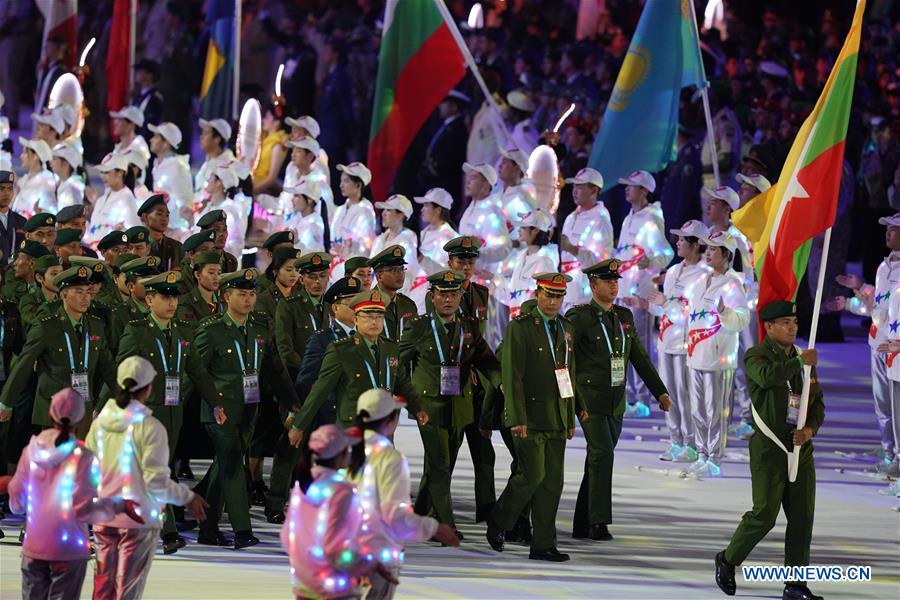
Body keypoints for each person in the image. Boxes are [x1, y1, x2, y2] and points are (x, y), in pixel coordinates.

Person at [714, 301, 825, 600]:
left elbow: (817, 404)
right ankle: (728, 559)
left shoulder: (804, 358)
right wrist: (799, 363)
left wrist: (809, 430)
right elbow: (766, 377)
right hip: (770, 448)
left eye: (795, 322)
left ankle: (795, 585)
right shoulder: (756, 355)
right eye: (786, 322)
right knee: (764, 514)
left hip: (801, 449)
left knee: (802, 517)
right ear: (769, 327)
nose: (793, 328)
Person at [87, 356, 209, 599]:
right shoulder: (151, 428)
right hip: (137, 520)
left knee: (102, 588)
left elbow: (88, 471)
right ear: (149, 387)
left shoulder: (100, 424)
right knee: (128, 589)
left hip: (103, 516)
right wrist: (187, 497)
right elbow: (156, 482)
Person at [193, 268, 298, 549]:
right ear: (227, 296)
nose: (249, 299)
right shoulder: (211, 329)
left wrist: (292, 401)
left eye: (252, 294)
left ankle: (207, 525)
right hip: (220, 409)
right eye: (242, 294)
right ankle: (242, 530)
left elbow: (274, 367)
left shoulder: (260, 325)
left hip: (250, 409)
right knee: (232, 466)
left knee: (223, 465)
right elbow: (196, 371)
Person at [115, 271, 218, 553]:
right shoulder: (137, 331)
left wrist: (216, 402)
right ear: (149, 299)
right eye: (164, 297)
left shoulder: (182, 332)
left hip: (173, 413)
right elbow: (122, 370)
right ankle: (168, 532)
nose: (171, 303)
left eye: (174, 297)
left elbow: (197, 371)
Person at [567, 259, 671, 540]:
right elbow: (567, 363)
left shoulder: (624, 317)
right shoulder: (579, 318)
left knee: (597, 459)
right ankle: (598, 522)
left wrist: (659, 391)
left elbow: (639, 356)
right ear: (593, 285)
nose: (614, 285)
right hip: (589, 399)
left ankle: (582, 521)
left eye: (616, 281)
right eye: (607, 281)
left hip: (615, 399)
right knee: (603, 454)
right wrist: (573, 405)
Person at [7, 388, 142, 600]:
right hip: (68, 551)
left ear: (50, 414)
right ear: (80, 420)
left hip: (34, 546)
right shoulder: (84, 457)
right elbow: (85, 509)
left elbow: (16, 503)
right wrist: (118, 505)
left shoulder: (31, 450)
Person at [400, 270, 500, 535]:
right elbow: (398, 364)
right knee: (441, 465)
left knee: (438, 466)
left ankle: (421, 516)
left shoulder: (468, 326)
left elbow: (487, 361)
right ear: (432, 297)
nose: (448, 299)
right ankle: (445, 527)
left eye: (453, 294)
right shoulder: (419, 327)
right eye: (443, 294)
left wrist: (500, 381)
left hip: (460, 406)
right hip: (428, 407)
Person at [486, 272, 576, 561]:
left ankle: (543, 543)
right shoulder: (521, 327)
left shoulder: (565, 327)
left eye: (559, 296)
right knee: (531, 475)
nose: (553, 301)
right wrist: (516, 417)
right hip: (529, 415)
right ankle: (499, 519)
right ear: (538, 293)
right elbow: (512, 377)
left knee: (553, 481)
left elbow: (568, 375)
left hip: (557, 415)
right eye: (548, 295)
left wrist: (570, 416)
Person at [347, 388, 459, 597]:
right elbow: (395, 516)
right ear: (389, 421)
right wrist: (433, 527)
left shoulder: (343, 451)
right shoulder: (390, 459)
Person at [0, 266, 118, 438]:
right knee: (54, 462)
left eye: (87, 292)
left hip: (83, 410)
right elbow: (24, 364)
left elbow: (108, 366)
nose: (86, 297)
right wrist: (6, 402)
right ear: (63, 295)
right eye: (78, 292)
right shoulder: (47, 326)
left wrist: (127, 398)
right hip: (52, 411)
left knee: (79, 462)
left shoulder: (95, 325)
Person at [287, 289, 419, 441]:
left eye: (379, 316)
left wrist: (418, 409)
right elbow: (320, 389)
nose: (375, 321)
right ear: (356, 320)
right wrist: (299, 425)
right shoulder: (341, 350)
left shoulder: (390, 348)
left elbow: (402, 384)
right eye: (368, 317)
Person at [826, 212, 900, 474]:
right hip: (876, 343)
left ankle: (898, 460)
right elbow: (876, 306)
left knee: (896, 404)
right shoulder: (883, 268)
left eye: (893, 229)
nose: (887, 233)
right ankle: (889, 455)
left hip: (895, 348)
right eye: (887, 229)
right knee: (882, 404)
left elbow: (891, 310)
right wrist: (852, 299)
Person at [685, 232, 750, 477]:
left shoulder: (733, 284)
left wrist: (724, 312)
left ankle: (714, 458)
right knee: (698, 411)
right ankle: (701, 453)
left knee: (715, 412)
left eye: (714, 249)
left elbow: (742, 319)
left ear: (727, 255)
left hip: (718, 359)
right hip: (695, 354)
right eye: (708, 248)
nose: (708, 253)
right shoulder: (701, 281)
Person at [281, 425, 369, 600]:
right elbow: (333, 546)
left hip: (303, 580)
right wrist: (364, 567)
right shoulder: (341, 490)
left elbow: (286, 535)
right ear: (340, 455)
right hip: (333, 584)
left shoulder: (303, 484)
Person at [649, 220, 711, 462]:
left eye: (684, 239)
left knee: (687, 396)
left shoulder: (705, 276)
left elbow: (693, 315)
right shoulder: (673, 271)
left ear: (696, 246)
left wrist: (666, 304)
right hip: (665, 340)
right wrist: (654, 303)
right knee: (667, 393)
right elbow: (661, 309)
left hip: (687, 345)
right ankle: (675, 440)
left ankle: (692, 443)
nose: (678, 242)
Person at [614, 170, 674, 418]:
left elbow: (666, 254)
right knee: (622, 344)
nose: (627, 189)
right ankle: (627, 396)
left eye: (632, 185)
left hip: (641, 290)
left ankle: (643, 397)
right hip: (623, 289)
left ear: (644, 191)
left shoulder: (651, 218)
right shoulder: (629, 218)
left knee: (639, 346)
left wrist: (651, 260)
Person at [248, 247, 302, 504]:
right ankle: (254, 481)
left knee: (287, 433)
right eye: (288, 269)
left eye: (296, 270)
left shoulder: (299, 297)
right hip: (270, 375)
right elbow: (268, 340)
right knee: (262, 433)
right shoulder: (264, 298)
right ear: (275, 270)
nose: (293, 275)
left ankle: (284, 482)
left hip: (296, 375)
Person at [704, 184, 757, 440]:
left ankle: (748, 416)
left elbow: (749, 274)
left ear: (727, 209)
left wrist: (735, 297)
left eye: (714, 202)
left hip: (736, 306)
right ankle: (723, 414)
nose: (708, 205)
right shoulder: (709, 235)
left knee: (743, 361)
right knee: (720, 359)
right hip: (713, 309)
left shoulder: (738, 237)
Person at [558, 168, 613, 308]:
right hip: (566, 294)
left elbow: (603, 265)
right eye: (574, 186)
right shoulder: (570, 218)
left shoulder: (601, 221)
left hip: (586, 299)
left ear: (594, 190)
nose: (574, 190)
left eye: (580, 186)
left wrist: (573, 249)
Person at [275, 251, 332, 378]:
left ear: (328, 277)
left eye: (322, 276)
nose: (318, 281)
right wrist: (309, 370)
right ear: (302, 279)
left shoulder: (331, 308)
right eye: (312, 277)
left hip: (329, 379)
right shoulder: (290, 306)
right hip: (302, 377)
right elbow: (285, 349)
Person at [499, 209, 558, 320]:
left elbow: (546, 298)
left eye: (523, 227)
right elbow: (513, 289)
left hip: (532, 322)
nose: (519, 230)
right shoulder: (521, 256)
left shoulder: (545, 261)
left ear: (535, 231)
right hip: (515, 319)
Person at [371, 195, 425, 304]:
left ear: (401, 215)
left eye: (389, 210)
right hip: (375, 295)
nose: (383, 213)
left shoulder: (407, 239)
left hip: (395, 298)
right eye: (383, 209)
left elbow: (407, 275)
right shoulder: (378, 240)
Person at [84, 154, 141, 249]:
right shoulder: (101, 199)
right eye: (101, 172)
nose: (102, 176)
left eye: (106, 172)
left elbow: (135, 232)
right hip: (95, 255)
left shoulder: (126, 198)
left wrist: (121, 232)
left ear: (120, 173)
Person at [420, 91, 470, 197]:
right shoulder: (446, 126)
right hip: (435, 181)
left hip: (445, 182)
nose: (440, 106)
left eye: (444, 102)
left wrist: (434, 170)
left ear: (454, 106)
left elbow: (449, 156)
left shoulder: (456, 128)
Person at [330, 162, 376, 277]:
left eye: (346, 181)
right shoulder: (340, 209)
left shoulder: (365, 211)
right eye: (341, 181)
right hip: (333, 264)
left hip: (352, 269)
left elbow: (365, 248)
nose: (341, 185)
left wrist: (348, 250)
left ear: (358, 185)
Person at [149, 122, 194, 237]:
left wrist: (178, 232)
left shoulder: (177, 167)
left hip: (174, 232)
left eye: (156, 137)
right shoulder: (158, 164)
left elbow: (186, 205)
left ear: (166, 143)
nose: (151, 140)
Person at [369, 245, 418, 341]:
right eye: (393, 270)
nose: (400, 273)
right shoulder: (366, 304)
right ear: (379, 276)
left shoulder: (408, 305)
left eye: (401, 269)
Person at [200, 167, 248, 261]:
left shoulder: (229, 210)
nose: (207, 181)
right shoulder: (209, 206)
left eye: (210, 178)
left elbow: (235, 242)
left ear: (219, 183)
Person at [413, 187, 458, 276]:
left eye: (426, 205)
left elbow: (450, 275)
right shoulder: (422, 234)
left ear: (438, 210)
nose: (422, 209)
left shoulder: (452, 240)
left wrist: (422, 259)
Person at [138, 194, 184, 271]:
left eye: (167, 215)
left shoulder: (177, 247)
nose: (164, 219)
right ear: (145, 217)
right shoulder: (137, 247)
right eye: (159, 214)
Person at [13, 137, 56, 218]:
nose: (21, 156)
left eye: (25, 152)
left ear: (36, 156)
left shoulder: (46, 180)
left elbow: (49, 212)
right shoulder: (27, 178)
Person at [194, 118, 235, 201]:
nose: (201, 137)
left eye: (206, 133)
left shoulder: (226, 166)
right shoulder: (208, 161)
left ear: (217, 139)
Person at [176, 251, 222, 324]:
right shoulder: (186, 303)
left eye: (219, 273)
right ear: (197, 274)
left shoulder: (224, 302)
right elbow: (189, 331)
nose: (216, 277)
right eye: (211, 272)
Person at [252, 104, 288, 195]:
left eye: (267, 117)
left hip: (260, 190)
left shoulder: (277, 145)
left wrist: (252, 191)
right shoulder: (264, 139)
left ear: (276, 123)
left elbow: (271, 178)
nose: (264, 120)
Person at [283, 178, 325, 252]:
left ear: (309, 200)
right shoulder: (296, 217)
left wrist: (296, 242)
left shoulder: (315, 224)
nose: (292, 199)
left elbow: (314, 256)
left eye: (296, 196)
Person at [196, 206, 242, 274]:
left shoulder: (231, 261)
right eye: (216, 230)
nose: (222, 234)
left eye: (224, 230)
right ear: (204, 233)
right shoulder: (196, 259)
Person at [0, 170, 27, 265]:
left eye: (10, 189)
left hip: (15, 273)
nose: (6, 193)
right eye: (1, 188)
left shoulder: (21, 221)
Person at [50, 142, 84, 209]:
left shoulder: (73, 187)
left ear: (66, 163)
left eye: (54, 159)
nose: (50, 162)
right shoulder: (63, 184)